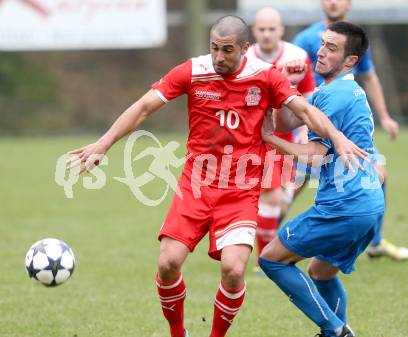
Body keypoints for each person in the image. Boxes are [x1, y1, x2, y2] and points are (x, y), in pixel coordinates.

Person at [67, 15, 367, 337]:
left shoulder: (265, 77)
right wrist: (104, 143)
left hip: (240, 190)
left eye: (227, 50)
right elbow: (143, 107)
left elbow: (306, 111)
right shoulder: (193, 71)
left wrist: (336, 137)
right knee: (168, 263)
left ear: (245, 49)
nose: (219, 57)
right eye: (214, 48)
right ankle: (178, 333)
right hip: (195, 185)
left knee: (234, 269)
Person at [260, 21, 384, 337]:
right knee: (320, 272)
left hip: (344, 205)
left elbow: (314, 154)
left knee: (271, 260)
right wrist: (285, 85)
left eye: (331, 48)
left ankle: (335, 330)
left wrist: (272, 141)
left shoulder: (336, 95)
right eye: (322, 44)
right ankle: (338, 331)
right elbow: (288, 117)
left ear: (350, 61)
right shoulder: (333, 90)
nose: (321, 51)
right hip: (367, 205)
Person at [293, 0, 408, 260]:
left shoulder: (354, 40)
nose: (333, 2)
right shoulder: (305, 38)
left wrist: (385, 116)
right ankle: (264, 239)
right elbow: (295, 85)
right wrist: (303, 124)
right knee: (292, 183)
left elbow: (368, 77)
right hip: (311, 122)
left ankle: (375, 242)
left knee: (378, 174)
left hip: (345, 122)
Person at [246, 7, 315, 272]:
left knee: (281, 200)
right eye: (261, 29)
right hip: (260, 138)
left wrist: (308, 130)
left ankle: (266, 245)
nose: (266, 34)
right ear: (254, 31)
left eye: (271, 29)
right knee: (271, 198)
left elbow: (308, 94)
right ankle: (265, 260)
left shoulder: (298, 56)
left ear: (281, 30)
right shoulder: (246, 59)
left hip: (292, 137)